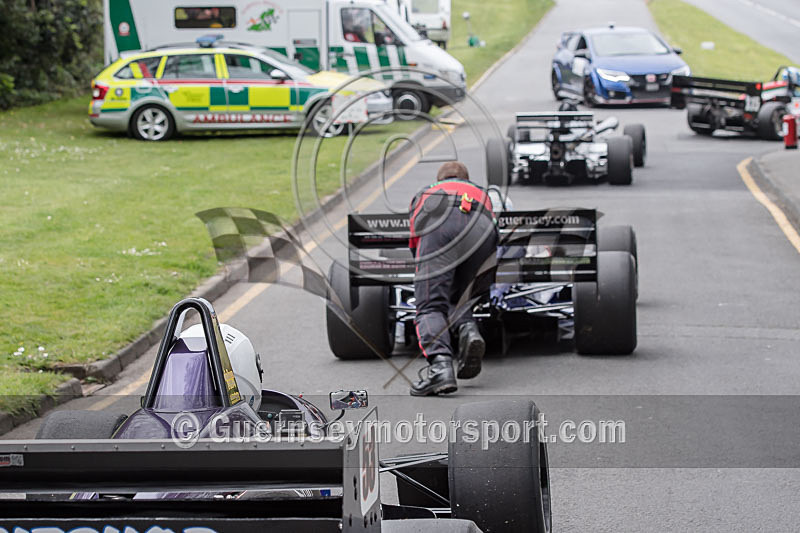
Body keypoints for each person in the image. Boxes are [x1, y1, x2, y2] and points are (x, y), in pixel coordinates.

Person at [408, 161, 499, 396]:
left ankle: (440, 368)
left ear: (439, 180)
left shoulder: (427, 192)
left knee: (430, 304)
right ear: (466, 179)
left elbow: (415, 241)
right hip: (481, 229)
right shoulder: (481, 193)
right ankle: (468, 329)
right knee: (460, 297)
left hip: (440, 225)